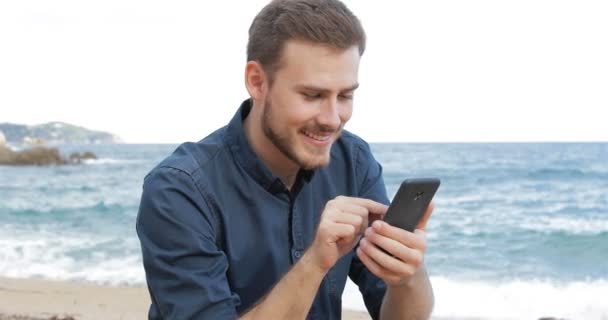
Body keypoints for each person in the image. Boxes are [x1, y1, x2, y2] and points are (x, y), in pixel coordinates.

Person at [136, 0, 435, 319]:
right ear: (257, 81)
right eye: (312, 95)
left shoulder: (354, 161)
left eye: (345, 96)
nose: (333, 119)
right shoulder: (178, 190)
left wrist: (406, 277)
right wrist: (315, 261)